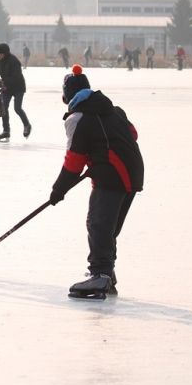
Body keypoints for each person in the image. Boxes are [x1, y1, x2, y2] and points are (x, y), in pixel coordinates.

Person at [49, 65, 144, 299]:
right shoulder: (114, 110)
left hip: (112, 176)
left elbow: (73, 164)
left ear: (67, 96)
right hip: (133, 172)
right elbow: (132, 134)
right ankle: (107, 272)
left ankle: (100, 274)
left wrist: (57, 190)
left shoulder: (78, 118)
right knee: (108, 226)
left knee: (98, 224)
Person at [0, 43, 31, 141]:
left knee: (17, 108)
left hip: (18, 87)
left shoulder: (13, 61)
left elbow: (16, 77)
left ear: (5, 53)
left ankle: (27, 125)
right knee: (3, 108)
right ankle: (6, 131)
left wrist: (2, 81)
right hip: (6, 88)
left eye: (0, 54)